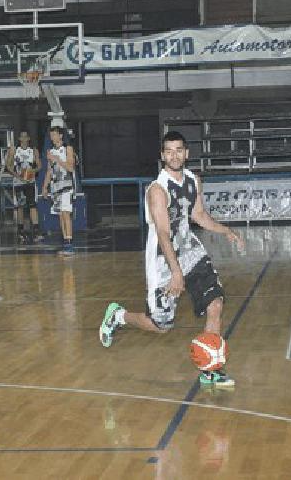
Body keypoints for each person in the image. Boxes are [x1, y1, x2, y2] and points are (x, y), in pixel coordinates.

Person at [98, 131, 245, 388]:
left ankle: (211, 370)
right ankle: (118, 317)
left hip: (190, 251)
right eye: (169, 151)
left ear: (187, 153)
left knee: (215, 303)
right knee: (160, 324)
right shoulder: (157, 190)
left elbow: (199, 215)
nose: (174, 155)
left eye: (179, 150)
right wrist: (176, 272)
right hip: (163, 259)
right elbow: (164, 234)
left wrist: (226, 230)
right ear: (162, 156)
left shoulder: (193, 181)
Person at [41, 126, 77, 256]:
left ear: (61, 135)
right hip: (55, 187)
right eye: (51, 135)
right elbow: (49, 170)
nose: (52, 137)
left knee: (66, 213)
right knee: (61, 215)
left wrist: (57, 159)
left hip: (66, 185)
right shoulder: (50, 151)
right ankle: (65, 243)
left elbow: (71, 168)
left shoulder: (68, 148)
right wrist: (44, 187)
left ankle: (70, 244)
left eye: (55, 134)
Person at [5, 130, 43, 244]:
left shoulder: (33, 150)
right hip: (18, 182)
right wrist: (18, 176)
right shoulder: (14, 150)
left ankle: (36, 231)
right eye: (22, 137)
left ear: (29, 138)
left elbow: (40, 166)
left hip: (30, 182)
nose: (24, 138)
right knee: (20, 206)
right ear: (19, 139)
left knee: (32, 206)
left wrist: (32, 171)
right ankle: (21, 231)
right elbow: (8, 166)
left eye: (26, 136)